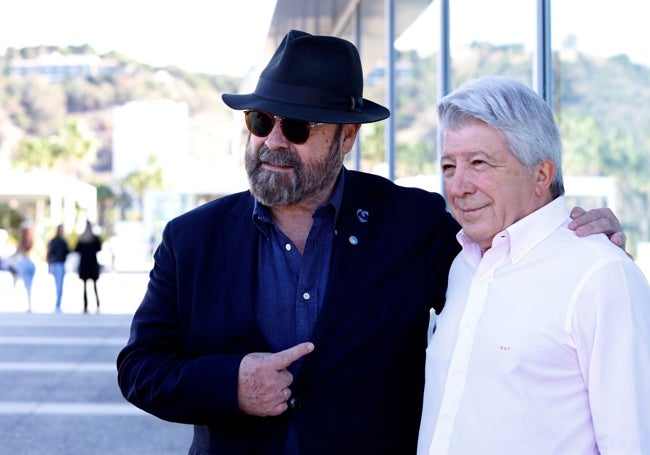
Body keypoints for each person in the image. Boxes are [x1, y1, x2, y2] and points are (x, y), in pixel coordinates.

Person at [116, 30, 626, 454]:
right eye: (259, 121)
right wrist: (230, 384)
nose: (272, 141)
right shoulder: (191, 239)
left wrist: (573, 240)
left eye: (295, 127)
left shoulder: (415, 223)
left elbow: (506, 271)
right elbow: (140, 368)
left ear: (347, 138)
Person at [417, 76, 650, 454]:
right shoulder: (462, 267)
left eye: (479, 163)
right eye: (448, 167)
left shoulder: (600, 275)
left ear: (542, 175)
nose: (458, 187)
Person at [75, 221, 102, 313]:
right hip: (92, 265)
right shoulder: (94, 238)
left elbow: (76, 249)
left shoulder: (81, 238)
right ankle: (98, 304)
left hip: (84, 265)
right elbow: (99, 248)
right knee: (94, 286)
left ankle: (85, 305)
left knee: (85, 287)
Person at [9, 223, 37, 312]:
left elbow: (17, 252)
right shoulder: (33, 240)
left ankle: (27, 303)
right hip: (31, 263)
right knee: (29, 285)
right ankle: (29, 303)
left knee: (26, 284)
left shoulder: (24, 241)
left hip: (26, 263)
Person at [47, 224, 70, 312]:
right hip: (56, 264)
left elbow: (68, 251)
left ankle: (58, 303)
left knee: (59, 285)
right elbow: (49, 253)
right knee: (58, 285)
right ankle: (57, 303)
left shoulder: (63, 241)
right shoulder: (55, 241)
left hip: (60, 264)